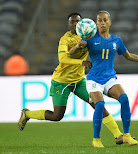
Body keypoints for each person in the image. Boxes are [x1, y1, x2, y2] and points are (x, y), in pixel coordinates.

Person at [18, 12, 125, 145]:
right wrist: (81, 62)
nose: (75, 24)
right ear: (68, 24)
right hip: (62, 81)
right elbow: (62, 59)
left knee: (98, 104)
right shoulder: (65, 39)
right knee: (57, 116)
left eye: (77, 22)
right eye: (72, 22)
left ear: (81, 23)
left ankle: (118, 135)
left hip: (79, 81)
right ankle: (27, 114)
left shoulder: (89, 35)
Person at [69, 11, 138, 148]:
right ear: (96, 23)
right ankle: (96, 139)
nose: (102, 23)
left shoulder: (117, 40)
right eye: (99, 20)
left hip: (109, 78)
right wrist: (78, 46)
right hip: (94, 79)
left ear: (110, 22)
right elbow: (70, 54)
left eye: (105, 20)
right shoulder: (89, 38)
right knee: (100, 105)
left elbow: (129, 56)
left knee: (124, 99)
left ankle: (126, 135)